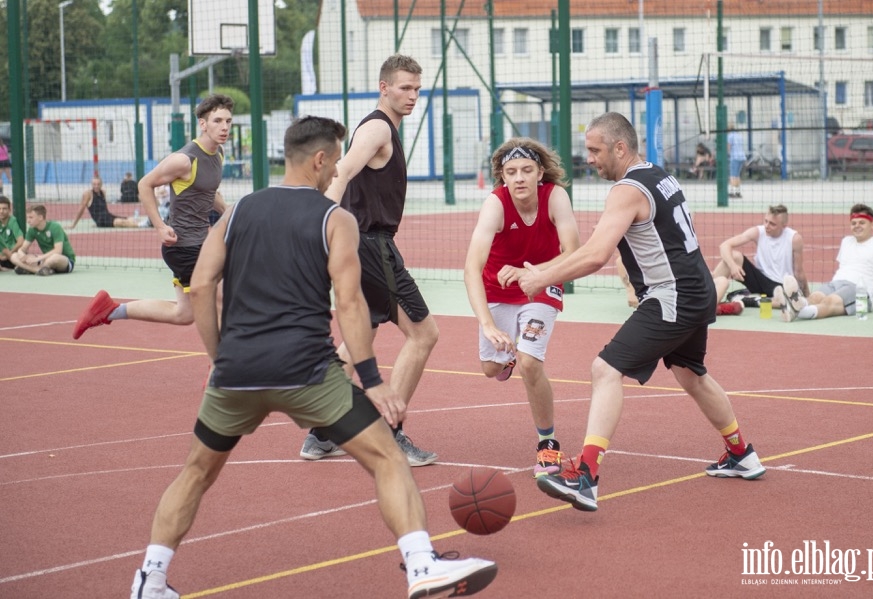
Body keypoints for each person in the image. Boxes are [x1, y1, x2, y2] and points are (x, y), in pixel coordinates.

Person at [128, 116, 497, 599]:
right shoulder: (335, 218)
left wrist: (221, 357)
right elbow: (349, 304)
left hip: (237, 371)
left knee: (197, 471)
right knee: (387, 458)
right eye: (337, 158)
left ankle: (149, 580)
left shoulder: (239, 211)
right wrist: (373, 379)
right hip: (307, 371)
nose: (339, 167)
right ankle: (421, 565)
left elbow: (199, 286)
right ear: (321, 160)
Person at [518, 112, 766, 513]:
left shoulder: (626, 191)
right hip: (697, 287)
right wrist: (548, 271)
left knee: (605, 369)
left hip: (673, 295)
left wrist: (540, 278)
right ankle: (741, 454)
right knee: (692, 375)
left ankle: (585, 475)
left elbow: (596, 255)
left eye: (595, 151)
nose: (590, 159)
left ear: (620, 147)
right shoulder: (658, 174)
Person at [298, 55, 439, 467]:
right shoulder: (378, 126)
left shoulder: (386, 129)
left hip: (367, 243)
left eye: (416, 88)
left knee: (359, 335)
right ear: (384, 87)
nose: (412, 95)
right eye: (404, 88)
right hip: (370, 244)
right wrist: (319, 227)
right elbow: (341, 173)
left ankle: (322, 434)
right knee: (424, 334)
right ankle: (389, 434)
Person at [463, 137, 581, 477]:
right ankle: (508, 356)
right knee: (490, 369)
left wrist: (537, 272)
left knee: (530, 363)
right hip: (497, 289)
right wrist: (487, 324)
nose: (519, 178)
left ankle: (548, 444)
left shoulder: (555, 196)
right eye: (511, 172)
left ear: (540, 172)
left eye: (527, 170)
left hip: (541, 284)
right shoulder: (495, 204)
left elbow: (574, 252)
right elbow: (471, 268)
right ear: (502, 175)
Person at [72, 94, 234, 340]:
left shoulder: (218, 154)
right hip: (183, 246)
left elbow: (207, 192)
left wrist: (229, 210)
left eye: (228, 121)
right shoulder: (184, 159)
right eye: (218, 121)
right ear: (203, 124)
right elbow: (145, 184)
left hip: (200, 242)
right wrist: (159, 226)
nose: (224, 127)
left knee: (184, 314)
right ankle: (219, 372)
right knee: (220, 297)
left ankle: (110, 311)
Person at [777, 203, 873, 322]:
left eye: (862, 222)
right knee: (815, 297)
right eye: (854, 223)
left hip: (860, 290)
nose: (857, 226)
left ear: (872, 225)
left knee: (829, 301)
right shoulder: (846, 241)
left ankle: (798, 311)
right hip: (835, 283)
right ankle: (798, 305)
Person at [711, 204, 809, 315]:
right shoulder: (758, 232)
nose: (767, 226)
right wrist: (733, 266)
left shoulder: (794, 239)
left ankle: (752, 301)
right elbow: (724, 246)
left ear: (784, 225)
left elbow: (799, 272)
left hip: (780, 284)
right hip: (759, 280)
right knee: (734, 257)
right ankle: (707, 294)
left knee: (789, 299)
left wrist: (807, 295)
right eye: (766, 221)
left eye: (772, 224)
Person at [10, 204, 76, 276]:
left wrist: (38, 258)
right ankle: (40, 270)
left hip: (64, 261)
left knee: (54, 258)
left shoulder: (55, 227)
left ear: (40, 217)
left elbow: (58, 251)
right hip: (45, 260)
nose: (28, 221)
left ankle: (31, 269)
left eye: (31, 217)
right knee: (14, 256)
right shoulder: (32, 229)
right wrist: (21, 254)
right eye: (27, 218)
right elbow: (22, 248)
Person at [70, 177, 148, 229]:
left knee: (129, 218)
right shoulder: (88, 194)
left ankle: (147, 222)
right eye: (94, 184)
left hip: (108, 216)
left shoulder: (103, 192)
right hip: (101, 220)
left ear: (101, 184)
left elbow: (104, 208)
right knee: (120, 222)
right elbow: (81, 210)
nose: (96, 186)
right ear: (92, 185)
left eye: (98, 184)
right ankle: (142, 225)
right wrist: (74, 224)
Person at [0, 195, 25, 271]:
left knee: (19, 256)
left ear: (9, 210)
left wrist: (9, 254)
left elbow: (20, 241)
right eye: (0, 208)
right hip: (1, 256)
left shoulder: (12, 221)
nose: (1, 211)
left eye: (4, 209)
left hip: (11, 255)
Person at [726, 124, 746, 198]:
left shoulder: (729, 136)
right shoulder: (739, 135)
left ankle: (732, 192)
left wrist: (726, 154)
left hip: (734, 157)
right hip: (742, 157)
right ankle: (738, 192)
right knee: (737, 175)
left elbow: (728, 147)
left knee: (732, 175)